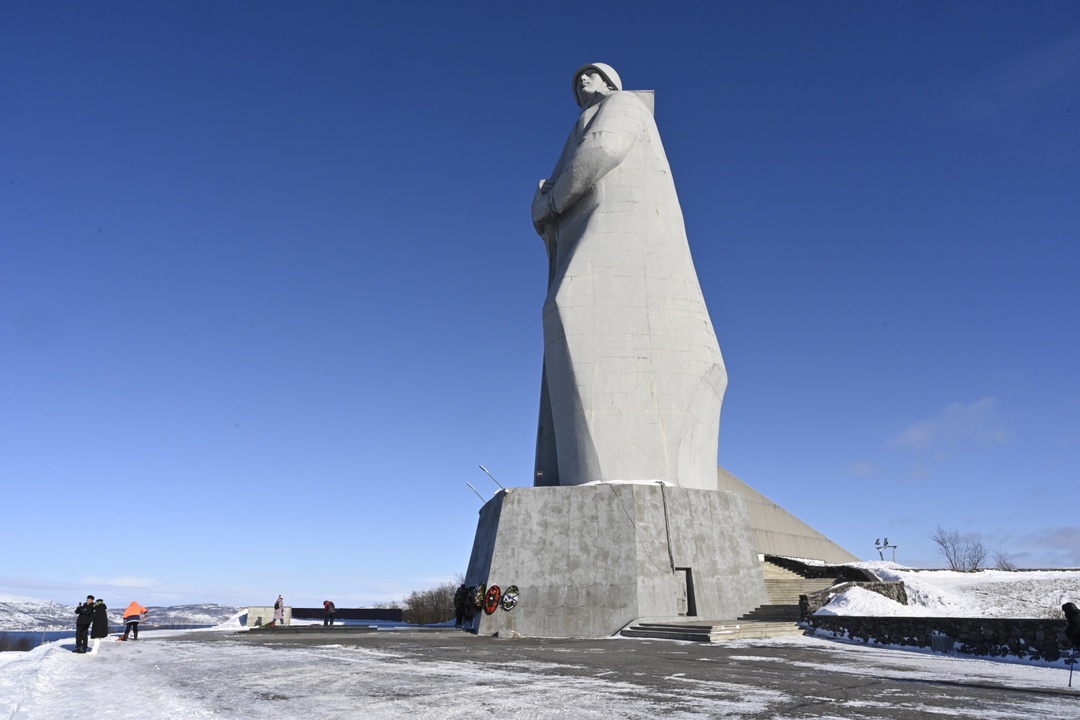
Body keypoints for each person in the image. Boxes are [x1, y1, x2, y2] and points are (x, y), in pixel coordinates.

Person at [530, 63, 727, 491]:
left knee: (575, 309)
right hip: (596, 237)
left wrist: (548, 204)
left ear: (610, 83)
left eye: (590, 75)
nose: (581, 82)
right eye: (577, 79)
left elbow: (600, 151)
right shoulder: (585, 120)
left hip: (619, 241)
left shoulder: (622, 105)